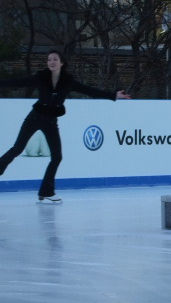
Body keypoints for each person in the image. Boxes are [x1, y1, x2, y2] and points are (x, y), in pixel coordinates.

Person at [0, 50, 131, 203]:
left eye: (55, 59)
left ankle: (46, 191)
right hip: (35, 117)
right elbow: (17, 82)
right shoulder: (40, 77)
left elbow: (90, 91)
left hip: (51, 121)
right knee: (17, 148)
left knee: (57, 156)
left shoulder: (68, 81)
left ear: (61, 62)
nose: (51, 62)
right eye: (49, 60)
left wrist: (113, 95)